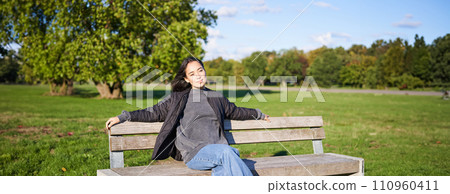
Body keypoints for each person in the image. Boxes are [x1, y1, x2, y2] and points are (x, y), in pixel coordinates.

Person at [105, 56, 270, 176]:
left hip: (219, 153)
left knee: (225, 168)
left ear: (205, 71)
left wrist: (259, 114)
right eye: (192, 73)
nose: (198, 75)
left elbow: (236, 111)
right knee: (229, 154)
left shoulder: (217, 97)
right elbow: (153, 112)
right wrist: (123, 117)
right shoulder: (178, 98)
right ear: (186, 78)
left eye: (200, 70)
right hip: (195, 154)